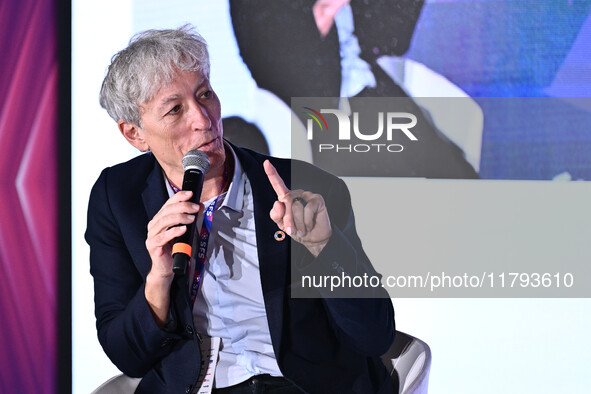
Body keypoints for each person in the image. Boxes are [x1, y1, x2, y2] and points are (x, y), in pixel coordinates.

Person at [86, 26, 396, 393]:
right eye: (174, 110)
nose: (202, 119)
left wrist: (323, 248)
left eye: (205, 94)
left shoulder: (306, 188)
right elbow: (127, 355)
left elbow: (374, 336)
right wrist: (159, 278)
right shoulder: (117, 196)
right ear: (135, 134)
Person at [230, 0, 479, 178]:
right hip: (317, 117)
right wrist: (326, 10)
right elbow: (280, 68)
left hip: (368, 90)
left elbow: (391, 39)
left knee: (455, 176)